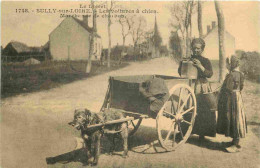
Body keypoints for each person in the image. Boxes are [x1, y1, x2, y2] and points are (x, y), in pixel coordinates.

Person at [178, 38, 216, 140]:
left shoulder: (205, 61)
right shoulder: (188, 59)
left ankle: (202, 133)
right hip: (191, 86)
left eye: (198, 48)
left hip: (202, 86)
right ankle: (185, 131)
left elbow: (209, 74)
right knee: (188, 107)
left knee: (203, 109)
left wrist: (200, 66)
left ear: (202, 49)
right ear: (191, 48)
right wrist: (182, 64)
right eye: (194, 48)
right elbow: (180, 73)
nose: (196, 50)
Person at [217, 55, 247, 153]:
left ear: (231, 64)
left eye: (227, 63)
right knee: (237, 118)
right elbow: (241, 87)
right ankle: (234, 141)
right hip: (237, 97)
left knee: (233, 119)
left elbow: (228, 88)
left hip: (231, 98)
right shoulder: (241, 74)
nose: (226, 65)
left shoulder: (230, 75)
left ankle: (236, 145)